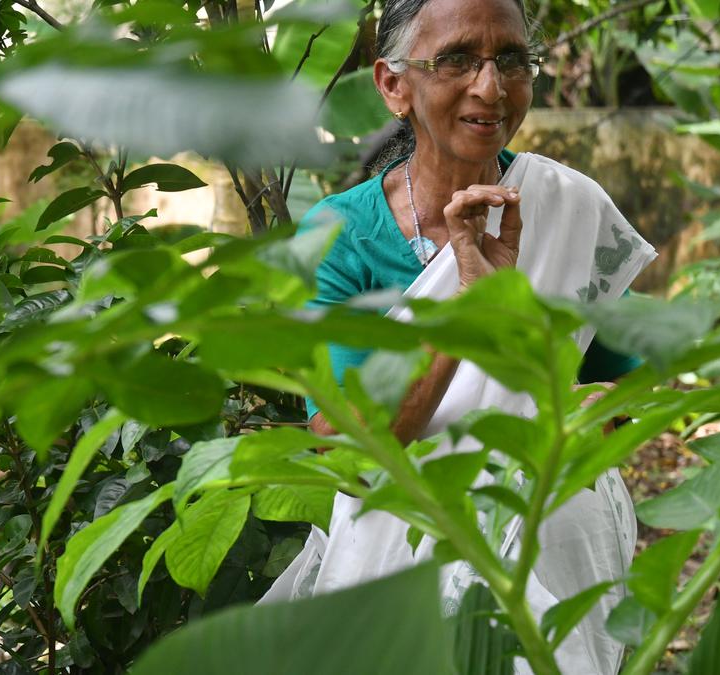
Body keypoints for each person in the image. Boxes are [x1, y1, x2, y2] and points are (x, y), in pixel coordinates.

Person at [260, 1, 657, 674]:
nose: (490, 87)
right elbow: (350, 455)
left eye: (510, 59)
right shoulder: (339, 237)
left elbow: (629, 391)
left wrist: (601, 417)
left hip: (553, 562)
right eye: (456, 60)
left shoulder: (568, 208)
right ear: (393, 86)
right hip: (397, 581)